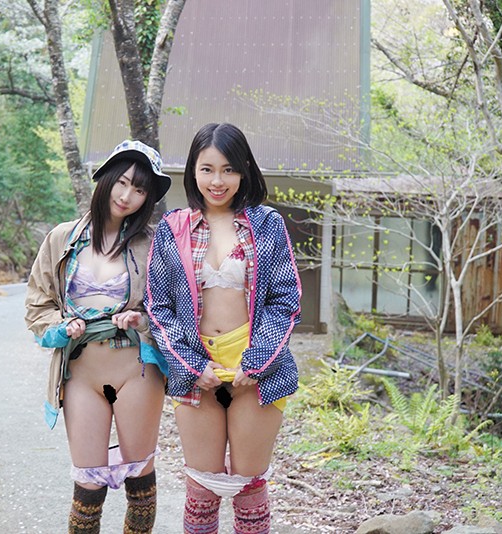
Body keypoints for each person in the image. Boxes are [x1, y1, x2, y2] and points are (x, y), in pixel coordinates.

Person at [145, 123, 301, 533]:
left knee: (249, 485)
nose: (218, 181)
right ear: (193, 172)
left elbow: (286, 300)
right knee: (202, 486)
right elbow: (159, 308)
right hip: (195, 365)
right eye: (207, 169)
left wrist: (258, 361)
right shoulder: (173, 227)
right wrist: (192, 365)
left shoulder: (267, 224)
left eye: (229, 169)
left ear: (245, 169)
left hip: (257, 366)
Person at [25, 140, 171, 534]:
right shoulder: (62, 238)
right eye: (122, 182)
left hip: (137, 369)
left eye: (139, 189)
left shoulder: (154, 245)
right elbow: (37, 305)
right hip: (80, 372)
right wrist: (61, 327)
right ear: (105, 179)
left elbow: (175, 309)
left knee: (140, 479)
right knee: (87, 485)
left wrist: (141, 320)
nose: (127, 195)